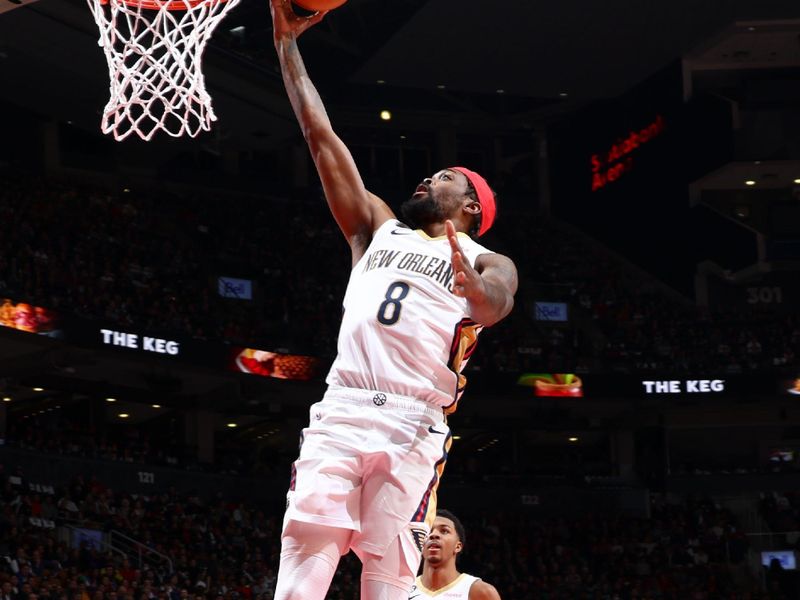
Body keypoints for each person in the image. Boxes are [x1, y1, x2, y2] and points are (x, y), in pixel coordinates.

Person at [268, 2, 518, 599]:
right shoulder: (375, 228)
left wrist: (474, 287)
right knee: (304, 552)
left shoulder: (486, 258)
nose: (428, 179)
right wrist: (285, 46)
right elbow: (320, 137)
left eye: (445, 176)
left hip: (412, 422)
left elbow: (496, 304)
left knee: (388, 579)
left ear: (473, 206)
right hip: (343, 407)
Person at [410, 510, 501, 600]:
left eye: (444, 531)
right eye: (429, 531)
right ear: (420, 543)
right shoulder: (404, 589)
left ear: (457, 546)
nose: (433, 535)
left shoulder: (480, 592)